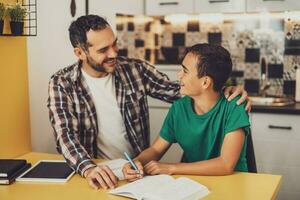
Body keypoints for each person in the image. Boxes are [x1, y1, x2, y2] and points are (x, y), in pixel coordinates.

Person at [47, 15, 250, 190]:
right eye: (103, 50)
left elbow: (182, 90)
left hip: (136, 171)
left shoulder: (134, 69)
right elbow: (65, 136)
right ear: (80, 53)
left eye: (114, 44)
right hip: (97, 169)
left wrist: (223, 87)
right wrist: (89, 167)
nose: (114, 53)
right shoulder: (62, 84)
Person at [122, 43, 251, 182]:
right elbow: (156, 150)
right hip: (193, 183)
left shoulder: (234, 106)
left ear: (205, 82)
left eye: (185, 71)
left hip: (232, 183)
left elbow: (225, 165)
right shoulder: (178, 108)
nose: (179, 74)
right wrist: (135, 162)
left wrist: (172, 168)